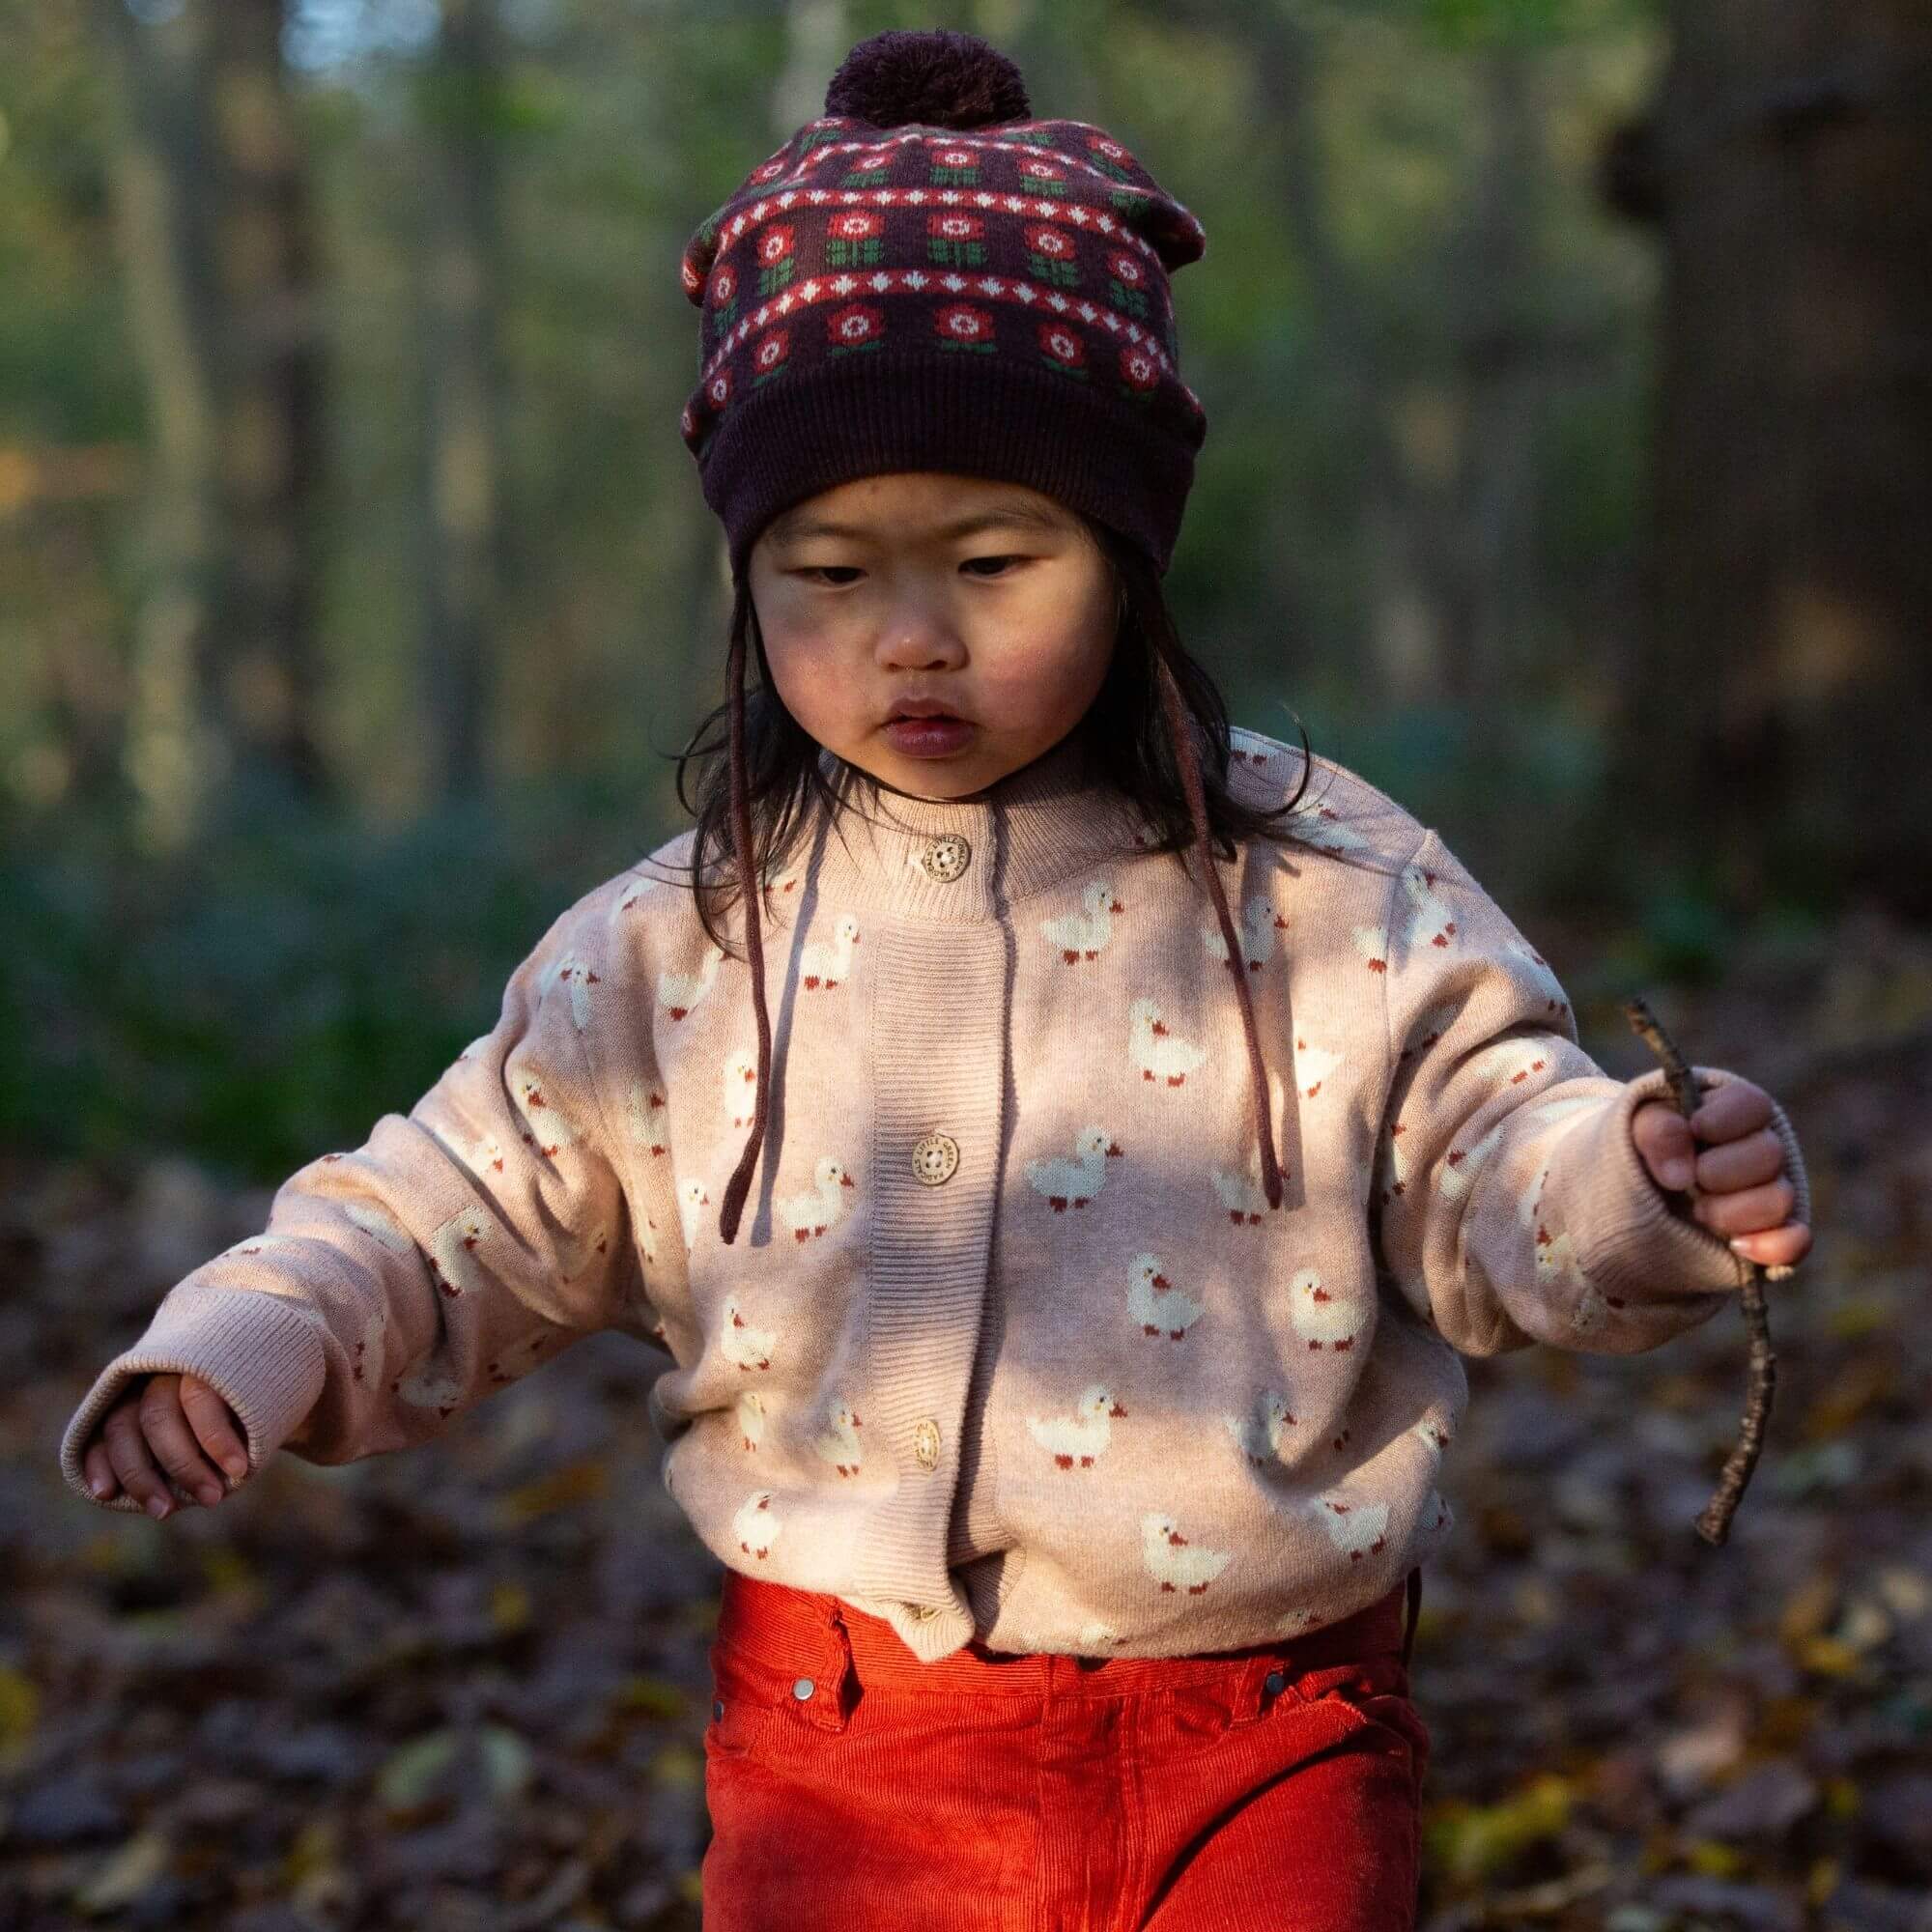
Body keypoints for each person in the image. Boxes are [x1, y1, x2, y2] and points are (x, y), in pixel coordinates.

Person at [59, 27, 1814, 1931]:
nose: (912, 638)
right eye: (827, 573)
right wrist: (256, 1333)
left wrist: (1635, 1189)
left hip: (1266, 1735)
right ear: (749, 577)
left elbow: (1488, 1146)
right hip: (844, 1755)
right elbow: (451, 1207)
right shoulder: (682, 944)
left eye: (993, 562)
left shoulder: (1322, 888)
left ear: (1124, 555)